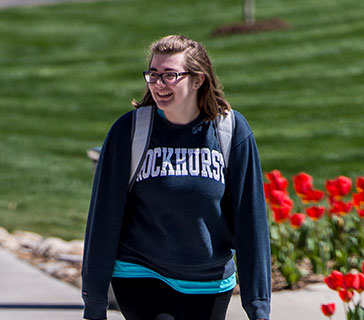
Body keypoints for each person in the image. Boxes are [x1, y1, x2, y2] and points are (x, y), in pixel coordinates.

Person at [81, 35, 271, 320]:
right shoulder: (129, 132)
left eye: (170, 75)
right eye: (153, 74)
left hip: (209, 280)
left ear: (198, 80)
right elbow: (103, 218)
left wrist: (258, 306)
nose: (159, 84)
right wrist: (94, 302)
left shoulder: (231, 131)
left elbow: (251, 219)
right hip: (141, 272)